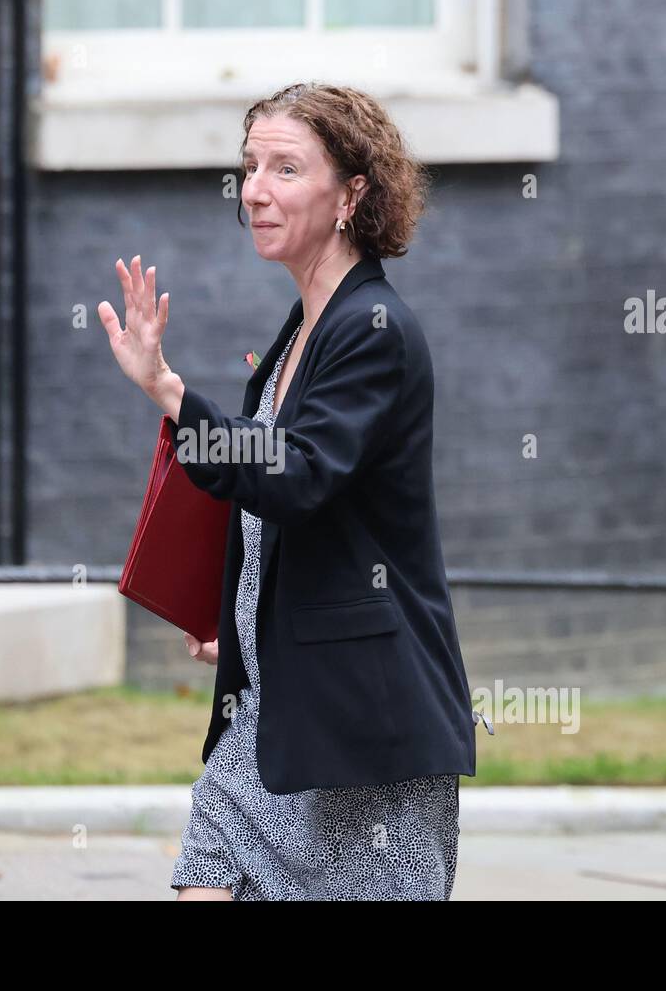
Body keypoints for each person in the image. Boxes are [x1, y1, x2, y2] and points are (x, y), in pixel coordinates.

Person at [98, 82, 480, 901]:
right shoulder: (298, 335)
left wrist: (170, 391)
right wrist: (241, 620)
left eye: (285, 168)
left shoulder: (374, 331)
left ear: (352, 194)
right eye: (249, 167)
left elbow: (298, 473)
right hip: (268, 710)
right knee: (205, 874)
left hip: (359, 730)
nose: (255, 189)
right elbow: (284, 516)